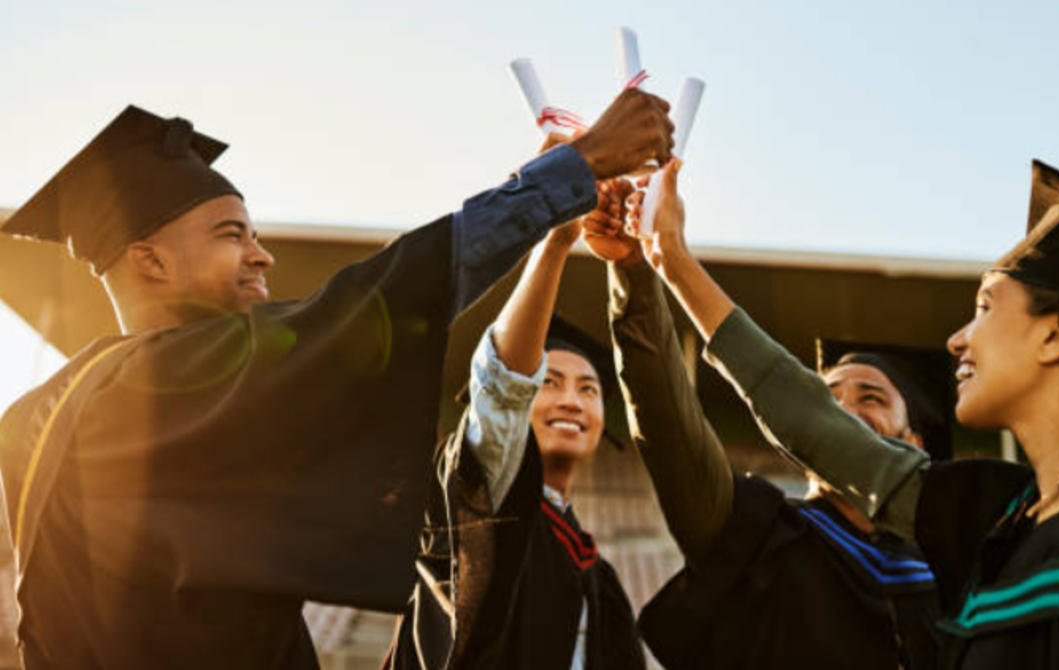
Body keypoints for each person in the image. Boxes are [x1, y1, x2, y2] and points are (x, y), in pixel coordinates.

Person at [0, 92, 673, 670]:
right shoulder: (177, 379)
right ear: (149, 261)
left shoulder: (33, 418)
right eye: (232, 234)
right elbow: (384, 295)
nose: (262, 254)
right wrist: (570, 172)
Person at [599, 158, 1059, 668]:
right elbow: (805, 416)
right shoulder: (995, 514)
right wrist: (666, 261)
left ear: (1056, 335)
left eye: (986, 307)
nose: (958, 339)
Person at [583, 177, 948, 668]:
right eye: (827, 396)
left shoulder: (951, 569)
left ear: (914, 443)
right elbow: (666, 421)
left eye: (871, 397)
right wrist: (633, 272)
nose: (841, 410)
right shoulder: (755, 532)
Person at [388, 176, 644, 670]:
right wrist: (555, 244)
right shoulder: (482, 508)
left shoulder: (599, 575)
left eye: (588, 389)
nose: (572, 400)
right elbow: (501, 395)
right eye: (549, 382)